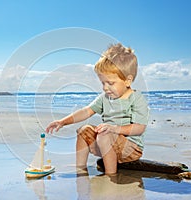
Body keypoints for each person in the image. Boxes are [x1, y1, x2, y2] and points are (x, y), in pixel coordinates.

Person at [45, 43, 149, 175]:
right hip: (106, 144)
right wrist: (63, 122)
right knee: (84, 130)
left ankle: (111, 174)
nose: (105, 88)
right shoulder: (105, 98)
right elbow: (86, 111)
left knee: (105, 134)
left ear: (128, 81)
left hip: (130, 149)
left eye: (110, 83)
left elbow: (139, 128)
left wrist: (114, 129)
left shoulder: (136, 99)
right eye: (103, 83)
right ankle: (80, 168)